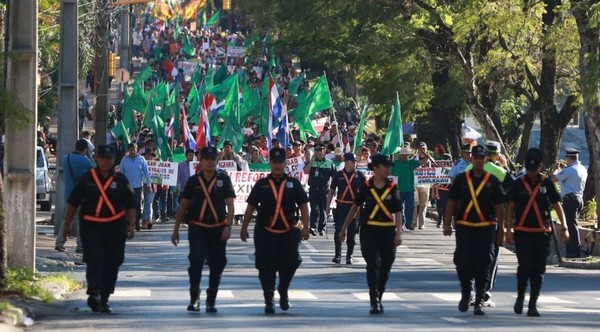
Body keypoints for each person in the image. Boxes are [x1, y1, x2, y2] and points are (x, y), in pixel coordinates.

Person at [62, 144, 137, 313]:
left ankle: (105, 297)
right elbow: (73, 203)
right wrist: (66, 226)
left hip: (115, 227)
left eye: (109, 159)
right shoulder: (86, 179)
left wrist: (130, 226)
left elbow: (131, 205)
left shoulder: (120, 180)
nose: (105, 161)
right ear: (96, 159)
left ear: (113, 160)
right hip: (91, 226)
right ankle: (94, 291)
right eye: (102, 158)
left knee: (113, 261)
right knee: (95, 258)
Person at [241, 148, 310, 314]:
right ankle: (269, 299)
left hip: (288, 232)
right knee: (266, 267)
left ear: (285, 164)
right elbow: (251, 207)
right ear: (270, 163)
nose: (277, 165)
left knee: (292, 262)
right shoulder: (262, 184)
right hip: (266, 232)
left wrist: (306, 227)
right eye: (274, 162)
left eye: (281, 162)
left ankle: (283, 289)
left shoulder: (293, 184)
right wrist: (244, 228)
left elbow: (303, 206)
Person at [505, 148, 570, 317]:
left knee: (538, 269)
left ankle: (532, 304)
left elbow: (557, 205)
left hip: (542, 232)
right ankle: (520, 297)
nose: (532, 173)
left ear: (540, 166)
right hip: (523, 231)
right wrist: (508, 230)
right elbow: (510, 206)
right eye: (529, 169)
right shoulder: (519, 183)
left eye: (535, 169)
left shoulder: (546, 183)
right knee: (525, 266)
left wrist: (564, 227)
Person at [171, 146, 235, 313]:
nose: (210, 162)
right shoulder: (194, 181)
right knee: (196, 262)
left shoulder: (223, 179)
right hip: (198, 227)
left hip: (217, 228)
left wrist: (228, 226)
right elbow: (183, 206)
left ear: (217, 160)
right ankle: (194, 297)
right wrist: (176, 229)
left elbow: (230, 205)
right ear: (201, 160)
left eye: (213, 159)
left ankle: (211, 299)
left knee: (217, 264)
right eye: (206, 159)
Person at [443, 144, 505, 316]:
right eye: (475, 157)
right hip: (465, 226)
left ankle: (478, 300)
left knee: (484, 263)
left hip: (486, 227)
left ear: (486, 159)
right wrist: (447, 224)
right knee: (463, 261)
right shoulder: (462, 179)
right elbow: (451, 202)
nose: (478, 160)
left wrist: (502, 231)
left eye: (481, 158)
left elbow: (499, 207)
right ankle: (465, 292)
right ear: (472, 158)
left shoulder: (492, 181)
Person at [339, 154, 403, 314]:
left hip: (387, 231)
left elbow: (398, 212)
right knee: (374, 263)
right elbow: (355, 208)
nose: (388, 169)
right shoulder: (366, 187)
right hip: (369, 230)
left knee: (386, 264)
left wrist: (398, 233)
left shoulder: (392, 187)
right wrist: (344, 229)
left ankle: (379, 295)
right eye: (385, 166)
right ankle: (373, 298)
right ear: (375, 168)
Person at [326, 152, 366, 264]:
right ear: (347, 162)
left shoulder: (360, 175)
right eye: (353, 161)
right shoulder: (338, 175)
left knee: (352, 233)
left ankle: (349, 256)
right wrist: (328, 205)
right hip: (341, 206)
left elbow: (365, 191)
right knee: (339, 230)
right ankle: (337, 255)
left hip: (355, 208)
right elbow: (331, 190)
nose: (354, 163)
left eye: (355, 161)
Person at [55, 139, 94, 253]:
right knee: (81, 221)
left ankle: (59, 242)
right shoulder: (85, 161)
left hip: (69, 194)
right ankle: (80, 246)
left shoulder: (66, 158)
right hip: (82, 195)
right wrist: (90, 156)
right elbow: (95, 171)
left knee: (67, 219)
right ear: (85, 149)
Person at [551, 147, 588, 258]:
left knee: (570, 226)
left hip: (570, 200)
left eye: (566, 158)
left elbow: (553, 178)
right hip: (579, 198)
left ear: (569, 158)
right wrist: (564, 170)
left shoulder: (570, 170)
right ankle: (572, 250)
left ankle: (574, 252)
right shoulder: (582, 168)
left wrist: (555, 169)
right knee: (572, 224)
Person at [391, 146, 435, 230]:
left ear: (408, 155)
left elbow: (421, 162)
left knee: (410, 207)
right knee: (399, 207)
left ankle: (408, 223)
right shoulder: (395, 163)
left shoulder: (411, 162)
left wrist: (427, 157)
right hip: (399, 189)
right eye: (403, 155)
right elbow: (391, 173)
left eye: (406, 155)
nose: (404, 156)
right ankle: (401, 223)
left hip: (409, 189)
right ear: (400, 155)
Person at [303, 144, 336, 236]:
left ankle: (322, 228)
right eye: (317, 151)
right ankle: (313, 226)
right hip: (314, 189)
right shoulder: (312, 162)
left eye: (321, 150)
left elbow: (335, 177)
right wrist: (311, 160)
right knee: (314, 208)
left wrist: (334, 190)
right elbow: (305, 171)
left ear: (324, 151)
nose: (319, 152)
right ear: (315, 153)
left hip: (325, 189)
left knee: (323, 209)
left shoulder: (329, 163)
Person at [119, 143, 152, 231]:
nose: (133, 151)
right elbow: (120, 174)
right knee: (128, 205)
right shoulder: (124, 160)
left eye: (134, 149)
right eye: (131, 150)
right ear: (128, 150)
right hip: (128, 187)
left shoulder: (141, 159)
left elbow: (146, 173)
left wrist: (149, 185)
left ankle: (137, 221)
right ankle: (130, 223)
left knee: (138, 206)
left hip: (138, 186)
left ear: (137, 149)